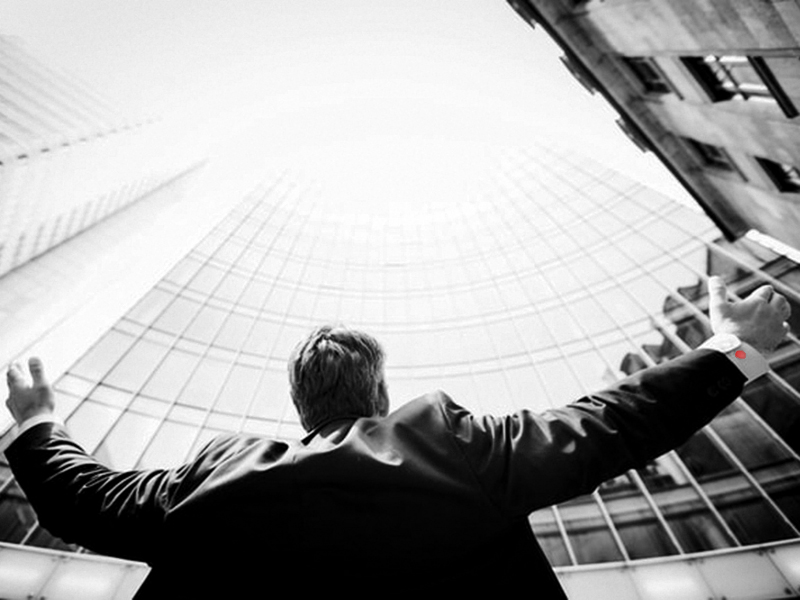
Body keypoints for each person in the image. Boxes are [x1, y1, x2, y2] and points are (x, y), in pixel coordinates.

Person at [4, 276, 791, 597]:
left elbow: (85, 503)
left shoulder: (211, 482)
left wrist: (38, 418)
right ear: (379, 396)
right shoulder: (449, 442)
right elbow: (609, 424)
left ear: (300, 409)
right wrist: (732, 349)